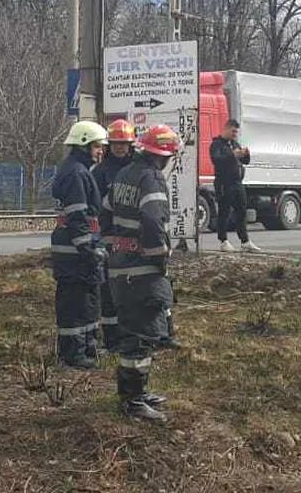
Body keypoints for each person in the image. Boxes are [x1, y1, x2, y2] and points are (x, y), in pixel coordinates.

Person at [106, 123, 180, 422]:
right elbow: (152, 221)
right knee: (141, 334)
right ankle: (132, 400)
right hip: (141, 271)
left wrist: (115, 244)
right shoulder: (152, 179)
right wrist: (159, 256)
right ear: (164, 156)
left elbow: (105, 210)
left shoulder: (125, 173)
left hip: (120, 266)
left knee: (139, 330)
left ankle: (138, 391)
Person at [51, 120, 107, 369]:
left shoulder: (78, 170)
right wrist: (89, 249)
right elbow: (77, 216)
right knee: (75, 302)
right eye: (97, 146)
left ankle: (87, 346)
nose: (100, 152)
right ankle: (73, 353)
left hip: (79, 249)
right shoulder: (75, 173)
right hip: (75, 251)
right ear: (84, 145)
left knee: (88, 300)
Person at [93, 119, 137, 352]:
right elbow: (96, 206)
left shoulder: (138, 168)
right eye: (116, 143)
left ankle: (131, 335)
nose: (120, 147)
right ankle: (111, 339)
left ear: (131, 144)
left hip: (134, 240)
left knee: (133, 289)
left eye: (124, 143)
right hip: (110, 239)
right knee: (109, 291)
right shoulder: (101, 171)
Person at [209, 119, 261, 253]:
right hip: (224, 183)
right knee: (224, 211)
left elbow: (245, 161)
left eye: (236, 132)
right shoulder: (216, 144)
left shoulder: (235, 144)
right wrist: (232, 155)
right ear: (225, 129)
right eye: (233, 131)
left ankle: (245, 241)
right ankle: (223, 241)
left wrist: (246, 154)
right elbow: (217, 160)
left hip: (237, 183)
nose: (234, 134)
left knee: (241, 212)